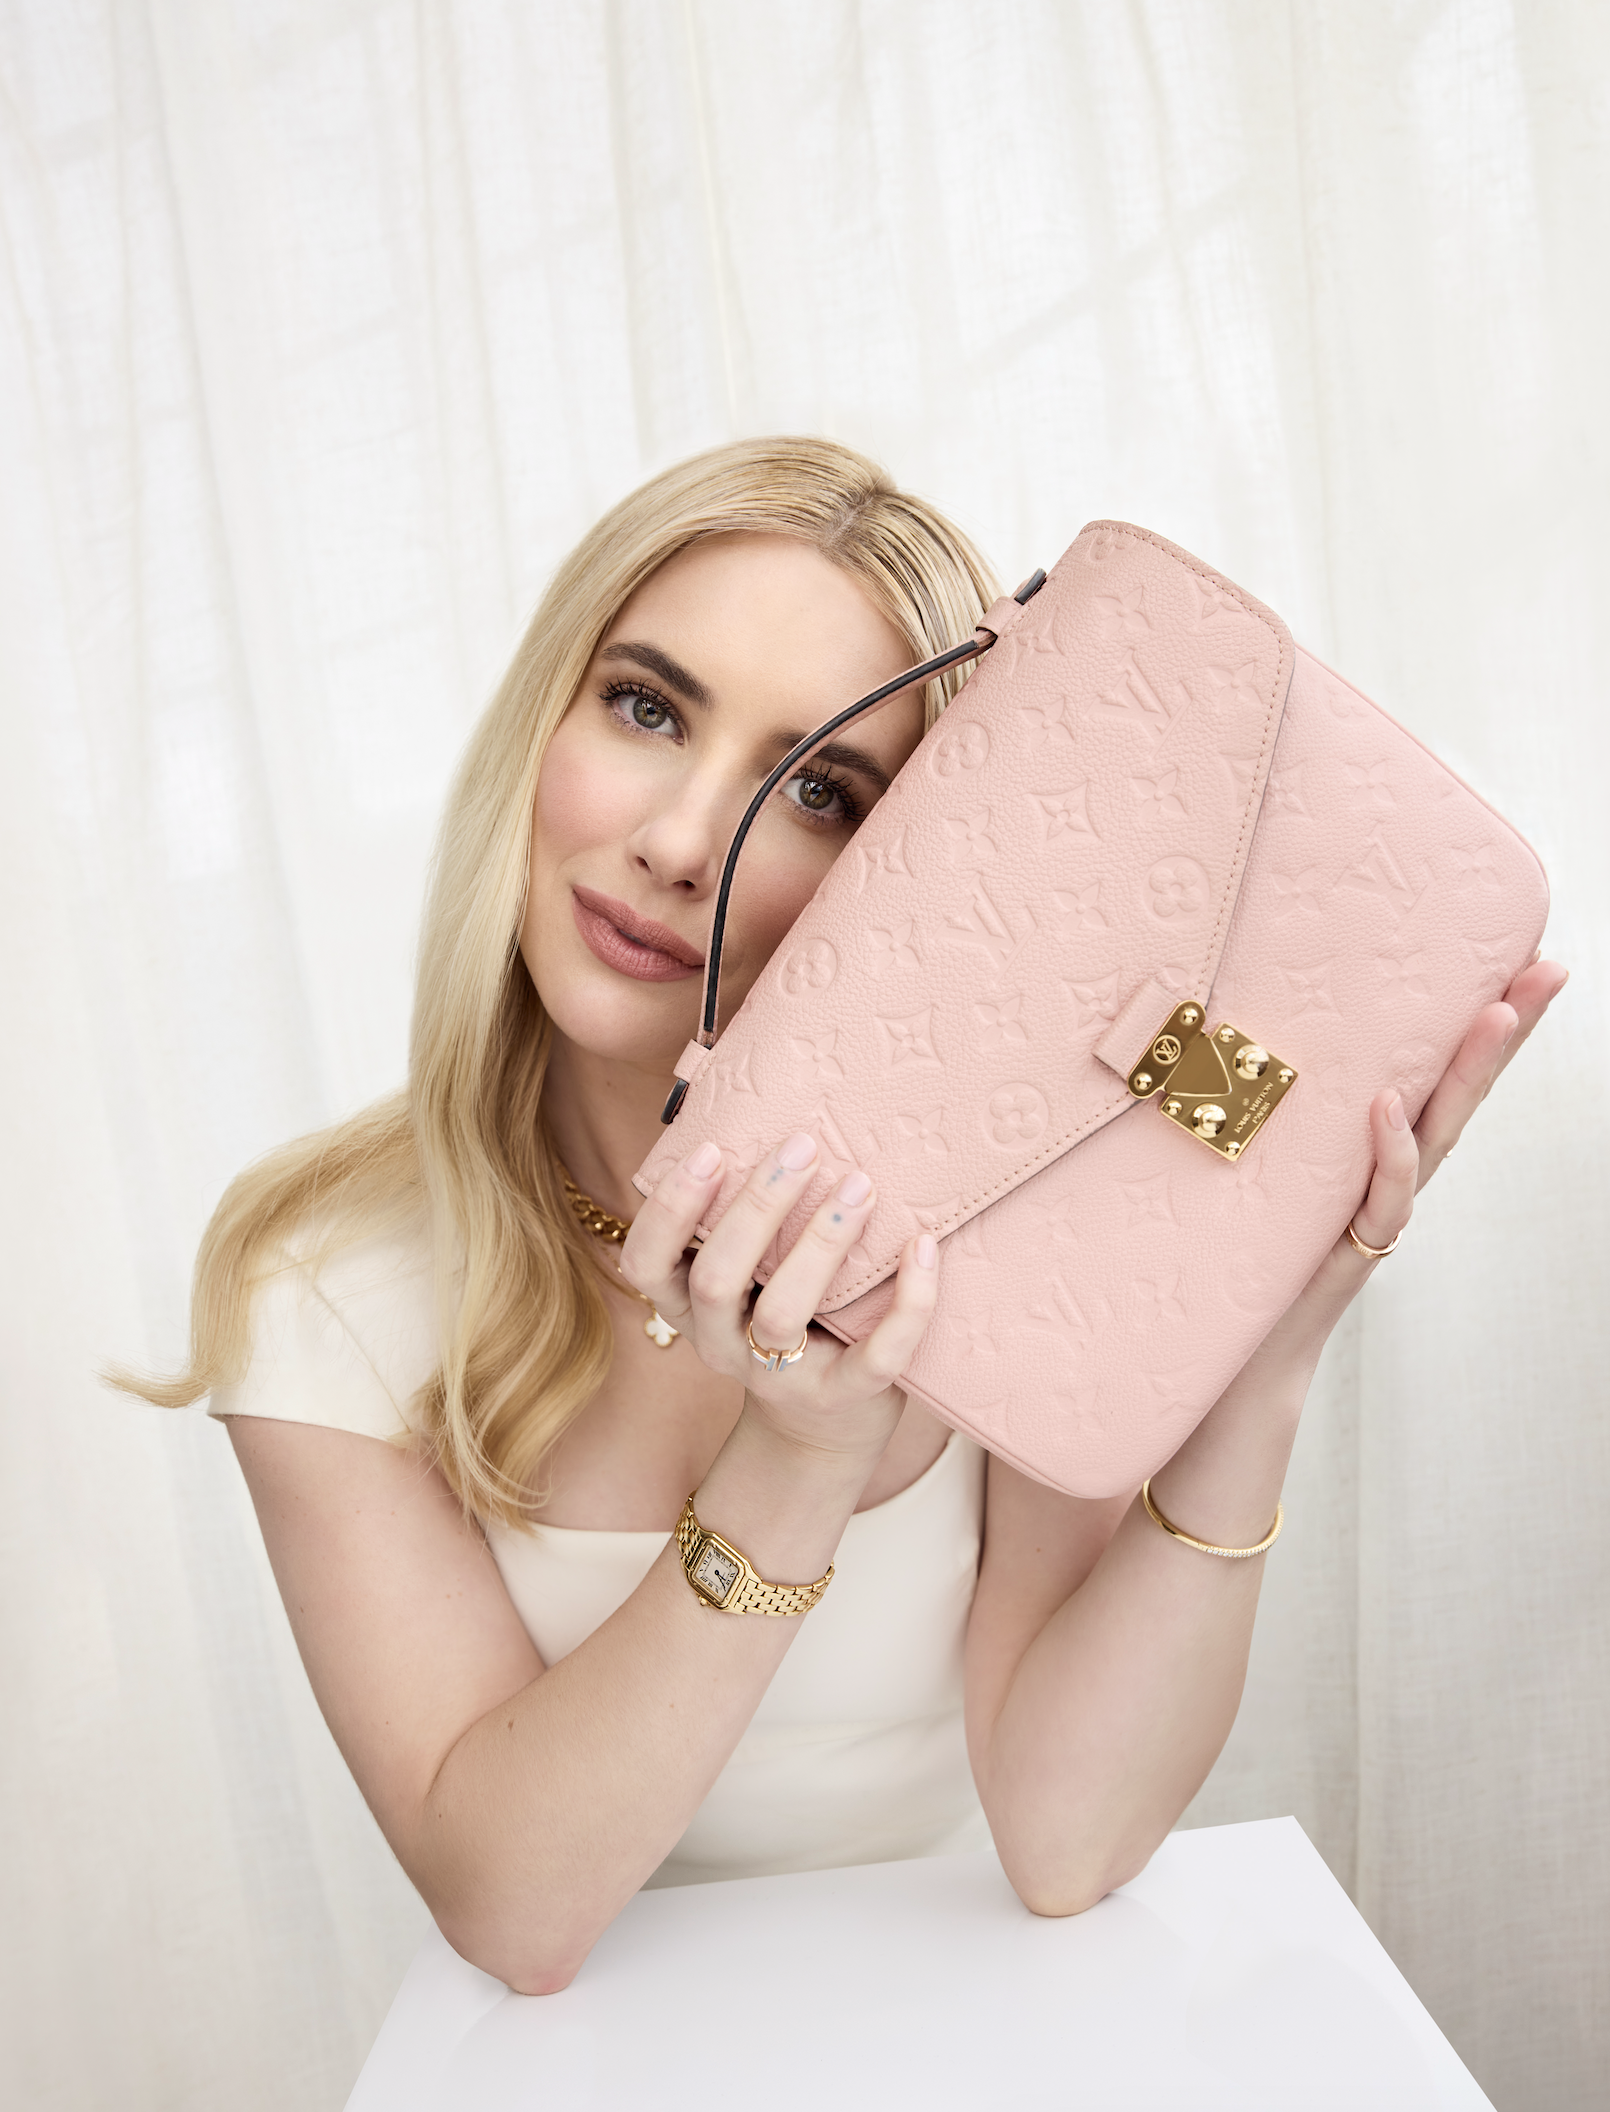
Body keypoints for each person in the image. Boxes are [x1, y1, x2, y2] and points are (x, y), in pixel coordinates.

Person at [124, 437, 1565, 1997]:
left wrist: (1266, 1353)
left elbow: (1065, 1841)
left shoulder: (1004, 1226)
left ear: (925, 860)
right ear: (536, 718)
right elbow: (514, 1912)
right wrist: (796, 1460)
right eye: (645, 707)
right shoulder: (323, 1283)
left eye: (819, 788)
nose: (678, 841)